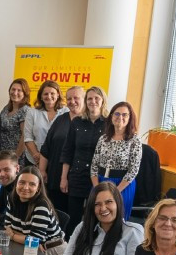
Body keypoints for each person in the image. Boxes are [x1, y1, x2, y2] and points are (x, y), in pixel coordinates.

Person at [61, 183, 141, 255]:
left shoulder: (133, 232)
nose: (103, 208)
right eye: (97, 204)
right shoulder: (83, 227)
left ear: (118, 203)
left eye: (109, 202)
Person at [60, 86, 107, 220]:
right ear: (85, 102)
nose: (93, 101)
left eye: (96, 98)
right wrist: (64, 178)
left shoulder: (109, 124)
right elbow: (68, 151)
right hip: (77, 176)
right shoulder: (77, 122)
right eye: (89, 99)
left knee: (95, 217)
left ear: (103, 100)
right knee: (73, 217)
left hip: (99, 178)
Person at [90, 101, 142, 220]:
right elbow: (94, 165)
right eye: (117, 114)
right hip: (101, 182)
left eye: (125, 115)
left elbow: (133, 170)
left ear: (130, 118)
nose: (120, 117)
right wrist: (96, 188)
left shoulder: (134, 140)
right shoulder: (103, 138)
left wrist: (115, 192)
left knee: (118, 220)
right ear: (111, 116)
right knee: (96, 218)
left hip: (122, 185)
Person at [41, 84, 84, 220]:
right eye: (69, 99)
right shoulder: (60, 119)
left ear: (84, 99)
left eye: (76, 98)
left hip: (76, 180)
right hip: (54, 177)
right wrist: (42, 170)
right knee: (54, 216)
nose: (72, 102)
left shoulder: (88, 123)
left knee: (73, 219)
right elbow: (46, 147)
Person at [4, 166, 65, 255]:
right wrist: (29, 239)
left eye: (32, 184)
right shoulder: (12, 198)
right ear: (16, 183)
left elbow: (35, 240)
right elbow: (8, 227)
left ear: (38, 187)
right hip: (31, 247)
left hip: (52, 251)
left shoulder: (41, 205)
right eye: (22, 182)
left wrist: (13, 236)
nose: (25, 187)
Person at [22, 80, 63, 168]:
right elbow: (28, 137)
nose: (49, 96)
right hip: (34, 160)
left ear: (58, 94)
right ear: (40, 96)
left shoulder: (66, 112)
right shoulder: (32, 112)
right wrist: (37, 156)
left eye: (52, 93)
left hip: (57, 161)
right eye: (45, 94)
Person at [0, 78, 30, 154]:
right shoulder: (6, 109)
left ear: (25, 93)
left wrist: (16, 157)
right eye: (13, 89)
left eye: (19, 90)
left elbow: (24, 136)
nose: (15, 93)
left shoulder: (25, 110)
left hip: (16, 156)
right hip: (3, 154)